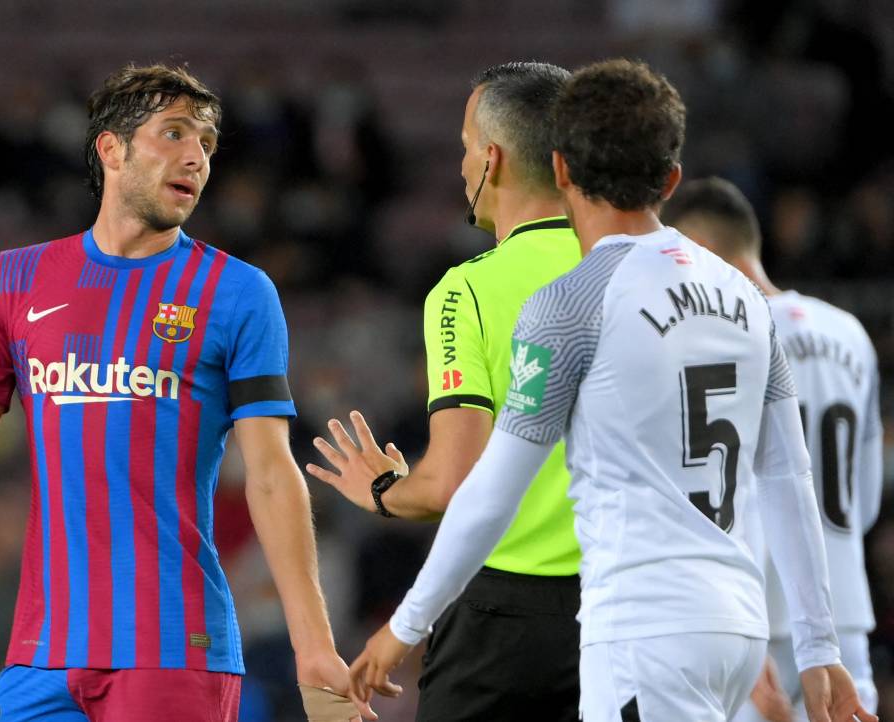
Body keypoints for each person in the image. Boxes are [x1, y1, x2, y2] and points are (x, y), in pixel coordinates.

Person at [0, 63, 372, 722]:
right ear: (111, 149)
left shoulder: (238, 292)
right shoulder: (15, 279)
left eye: (206, 143)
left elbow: (269, 472)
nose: (195, 157)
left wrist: (314, 645)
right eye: (173, 133)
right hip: (42, 655)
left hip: (175, 651)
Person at [346, 59, 876, 722]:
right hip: (736, 628)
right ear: (672, 179)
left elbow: (489, 491)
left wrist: (405, 625)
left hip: (643, 630)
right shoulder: (741, 295)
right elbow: (788, 476)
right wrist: (818, 645)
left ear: (562, 170)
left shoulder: (571, 302)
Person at [306, 62, 583, 721]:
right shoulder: (632, 270)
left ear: (492, 158)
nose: (461, 165)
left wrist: (382, 490)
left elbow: (452, 484)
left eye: (464, 147)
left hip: (506, 614)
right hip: (634, 607)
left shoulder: (468, 290)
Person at [662, 177, 883, 722]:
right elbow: (867, 496)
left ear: (704, 252)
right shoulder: (850, 332)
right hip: (844, 621)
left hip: (750, 619)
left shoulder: (719, 337)